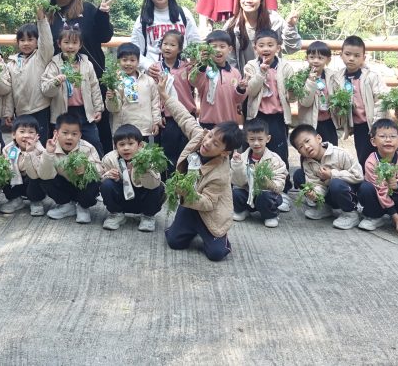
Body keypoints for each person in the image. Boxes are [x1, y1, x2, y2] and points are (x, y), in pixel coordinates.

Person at [159, 84, 240, 262]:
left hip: (210, 214)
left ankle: (219, 239)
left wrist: (187, 192)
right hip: (190, 206)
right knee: (174, 242)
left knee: (216, 254)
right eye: (210, 135)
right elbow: (183, 116)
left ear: (225, 153)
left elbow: (209, 203)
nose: (208, 142)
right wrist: (165, 95)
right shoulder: (200, 137)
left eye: (216, 144)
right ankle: (187, 227)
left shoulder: (221, 174)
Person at [44, 0, 115, 151]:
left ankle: (103, 163)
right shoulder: (46, 14)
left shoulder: (88, 9)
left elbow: (105, 36)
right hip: (60, 81)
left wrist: (103, 15)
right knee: (64, 132)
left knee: (96, 131)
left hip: (91, 76)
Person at [243, 28, 302, 186]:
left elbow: (292, 98)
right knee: (254, 150)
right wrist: (261, 73)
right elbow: (251, 91)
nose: (266, 48)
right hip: (257, 116)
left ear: (278, 47)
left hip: (278, 117)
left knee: (279, 151)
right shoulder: (251, 66)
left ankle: (283, 187)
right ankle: (251, 185)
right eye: (261, 45)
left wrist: (293, 90)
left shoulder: (285, 67)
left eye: (270, 45)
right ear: (255, 48)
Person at [41, 25, 104, 156]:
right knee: (63, 147)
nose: (70, 46)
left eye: (75, 43)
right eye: (66, 42)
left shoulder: (86, 64)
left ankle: (98, 167)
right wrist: (56, 82)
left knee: (94, 142)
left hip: (84, 112)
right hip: (63, 112)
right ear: (59, 44)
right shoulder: (54, 65)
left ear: (80, 45)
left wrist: (98, 108)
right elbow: (45, 90)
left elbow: (94, 87)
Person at [329, 35, 389, 166]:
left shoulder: (371, 76)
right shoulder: (338, 78)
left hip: (373, 122)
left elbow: (381, 100)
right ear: (341, 55)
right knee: (364, 156)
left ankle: (384, 178)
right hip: (358, 125)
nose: (351, 58)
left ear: (363, 57)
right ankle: (366, 178)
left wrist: (377, 125)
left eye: (357, 55)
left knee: (382, 155)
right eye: (348, 54)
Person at [290, 124, 363, 230]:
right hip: (329, 194)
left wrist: (332, 174)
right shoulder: (307, 163)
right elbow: (315, 183)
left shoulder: (340, 154)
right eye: (301, 146)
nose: (306, 147)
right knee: (299, 175)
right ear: (299, 152)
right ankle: (324, 208)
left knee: (335, 183)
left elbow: (358, 175)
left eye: (307, 141)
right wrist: (315, 194)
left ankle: (351, 213)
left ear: (318, 138)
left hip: (348, 194)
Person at [37, 112, 103, 224]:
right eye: (65, 133)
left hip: (81, 187)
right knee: (44, 178)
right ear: (56, 133)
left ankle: (83, 207)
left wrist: (86, 169)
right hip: (64, 187)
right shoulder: (51, 147)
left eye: (74, 134)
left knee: (94, 181)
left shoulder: (87, 148)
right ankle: (66, 206)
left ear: (80, 135)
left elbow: (100, 171)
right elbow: (44, 175)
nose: (69, 137)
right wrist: (48, 154)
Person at [129, 0, 201, 77]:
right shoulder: (143, 19)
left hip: (182, 74)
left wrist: (193, 62)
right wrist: (147, 65)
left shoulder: (183, 14)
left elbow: (195, 42)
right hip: (154, 74)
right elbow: (134, 49)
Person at [223, 0, 301, 72]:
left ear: (261, 0)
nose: (249, 0)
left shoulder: (274, 21)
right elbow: (229, 61)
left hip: (272, 77)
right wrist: (238, 79)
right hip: (245, 79)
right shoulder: (231, 26)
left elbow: (292, 48)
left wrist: (290, 26)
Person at [99, 124, 164, 232]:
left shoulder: (149, 158)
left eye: (130, 144)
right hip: (122, 199)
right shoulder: (109, 159)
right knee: (107, 184)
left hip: (142, 199)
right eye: (121, 144)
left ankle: (148, 217)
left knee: (158, 186)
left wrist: (146, 171)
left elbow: (154, 183)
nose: (126, 148)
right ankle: (116, 214)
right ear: (115, 146)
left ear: (140, 145)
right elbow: (99, 179)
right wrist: (107, 175)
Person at [357, 118, 398, 235]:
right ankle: (374, 217)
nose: (388, 140)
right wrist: (395, 217)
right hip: (378, 198)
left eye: (393, 136)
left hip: (396, 195)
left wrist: (397, 186)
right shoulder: (371, 161)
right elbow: (381, 190)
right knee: (365, 188)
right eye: (382, 136)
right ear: (373, 141)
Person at [5, 10, 54, 143]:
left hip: (40, 109)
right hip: (20, 112)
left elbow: (47, 42)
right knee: (23, 143)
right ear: (17, 42)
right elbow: (9, 91)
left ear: (37, 41)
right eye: (22, 40)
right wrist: (8, 112)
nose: (26, 43)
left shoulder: (41, 57)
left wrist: (41, 19)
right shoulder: (11, 64)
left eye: (30, 39)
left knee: (40, 144)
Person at [230, 119, 288, 228]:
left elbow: (280, 181)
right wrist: (237, 164)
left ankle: (271, 215)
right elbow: (238, 182)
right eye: (252, 139)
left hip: (267, 194)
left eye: (260, 139)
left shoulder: (275, 159)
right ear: (247, 139)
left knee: (265, 196)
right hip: (248, 193)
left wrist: (270, 184)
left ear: (268, 139)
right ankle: (243, 210)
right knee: (235, 193)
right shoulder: (242, 158)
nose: (256, 143)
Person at [156, 30, 195, 180]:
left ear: (179, 49)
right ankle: (170, 183)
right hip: (167, 118)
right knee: (168, 152)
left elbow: (196, 82)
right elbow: (154, 95)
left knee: (187, 150)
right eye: (165, 44)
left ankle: (185, 182)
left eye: (172, 45)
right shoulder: (155, 68)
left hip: (186, 115)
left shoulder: (187, 67)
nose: (167, 47)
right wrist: (158, 114)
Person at [104, 42, 162, 139]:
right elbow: (113, 109)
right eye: (124, 60)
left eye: (132, 60)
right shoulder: (114, 81)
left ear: (138, 62)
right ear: (118, 61)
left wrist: (156, 121)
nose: (128, 63)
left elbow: (155, 103)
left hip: (144, 129)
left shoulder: (148, 81)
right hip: (123, 130)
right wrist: (111, 98)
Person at [190, 30, 246, 129]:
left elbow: (238, 99)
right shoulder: (204, 69)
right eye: (214, 47)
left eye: (222, 46)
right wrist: (202, 66)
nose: (218, 50)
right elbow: (194, 82)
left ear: (230, 49)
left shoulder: (235, 73)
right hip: (208, 123)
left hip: (229, 123)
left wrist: (241, 89)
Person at [0, 115, 48, 216]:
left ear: (37, 136)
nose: (26, 135)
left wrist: (30, 152)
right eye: (22, 131)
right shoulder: (8, 149)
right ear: (13, 135)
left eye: (31, 132)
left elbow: (40, 171)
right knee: (2, 171)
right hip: (17, 182)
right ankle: (15, 199)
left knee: (36, 177)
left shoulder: (40, 150)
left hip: (32, 183)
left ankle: (36, 201)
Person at [296, 40, 339, 146]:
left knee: (330, 149)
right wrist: (311, 81)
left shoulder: (332, 76)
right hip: (309, 123)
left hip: (329, 122)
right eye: (312, 57)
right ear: (306, 58)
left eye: (320, 58)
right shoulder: (301, 77)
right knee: (309, 149)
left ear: (328, 60)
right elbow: (305, 102)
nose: (315, 61)